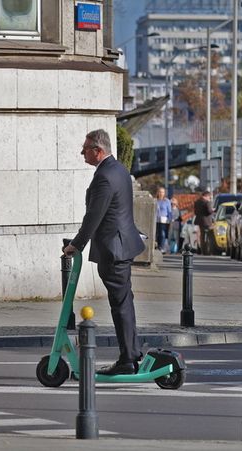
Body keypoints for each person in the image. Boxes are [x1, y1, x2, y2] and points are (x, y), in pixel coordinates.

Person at [63, 129, 145, 375]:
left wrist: (75, 245)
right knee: (124, 302)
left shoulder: (105, 177)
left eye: (86, 149)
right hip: (121, 246)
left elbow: (94, 217)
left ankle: (128, 360)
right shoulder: (118, 169)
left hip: (114, 250)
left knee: (120, 305)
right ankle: (131, 353)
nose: (82, 153)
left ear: (98, 151)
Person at [194, 190, 214, 255]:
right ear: (206, 196)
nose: (209, 198)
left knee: (202, 237)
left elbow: (195, 212)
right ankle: (208, 251)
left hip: (200, 221)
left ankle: (203, 251)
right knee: (210, 236)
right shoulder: (207, 202)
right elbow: (209, 211)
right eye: (209, 197)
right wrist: (213, 210)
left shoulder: (197, 202)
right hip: (207, 221)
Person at [154, 187, 171, 253]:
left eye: (163, 192)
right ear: (158, 192)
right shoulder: (155, 200)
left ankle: (162, 247)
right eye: (160, 192)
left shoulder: (166, 201)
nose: (161, 193)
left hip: (164, 220)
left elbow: (169, 211)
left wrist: (170, 220)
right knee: (157, 233)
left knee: (163, 234)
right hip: (156, 219)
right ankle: (158, 246)